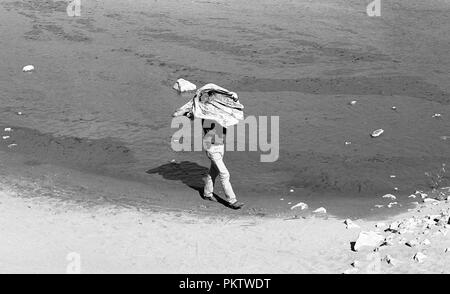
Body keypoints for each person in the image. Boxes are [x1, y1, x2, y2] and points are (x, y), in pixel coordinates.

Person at [201, 119, 244, 209]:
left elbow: (223, 131)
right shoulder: (207, 118)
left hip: (220, 146)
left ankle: (207, 194)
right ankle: (232, 201)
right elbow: (211, 132)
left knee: (214, 171)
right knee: (224, 174)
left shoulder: (221, 116)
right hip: (212, 148)